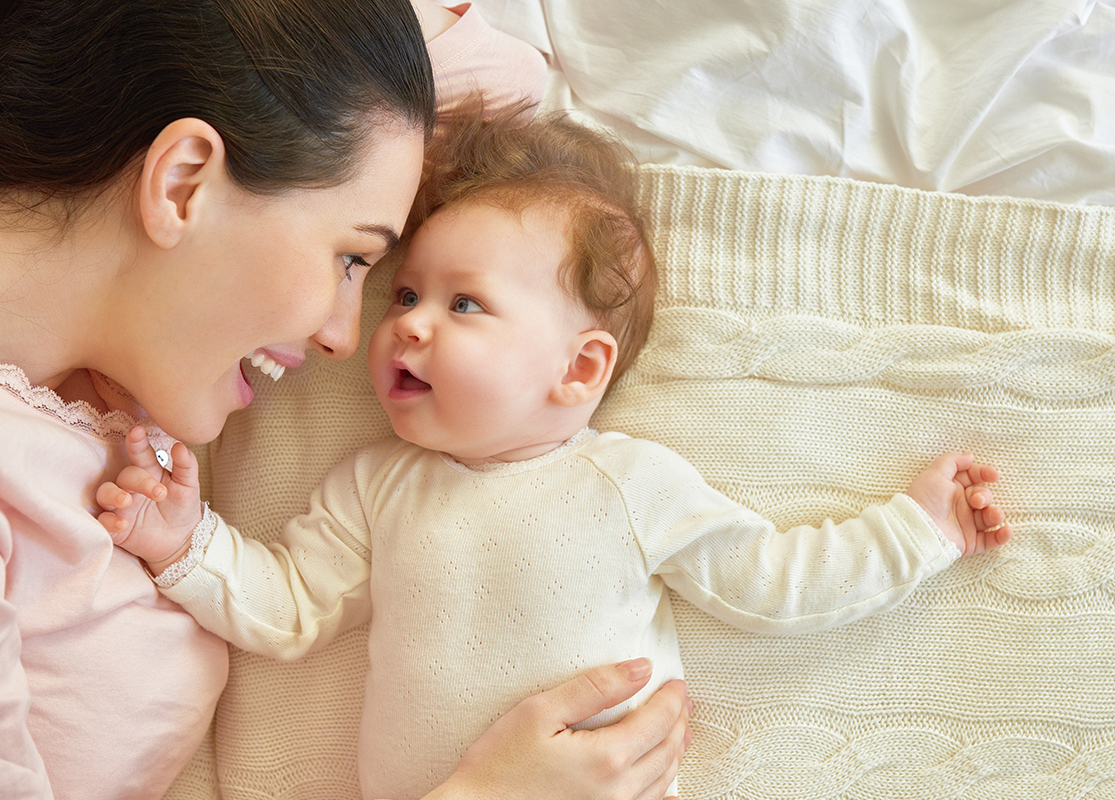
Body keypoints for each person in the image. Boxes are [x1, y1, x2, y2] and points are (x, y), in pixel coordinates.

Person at [96, 107, 1015, 799]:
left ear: (577, 369)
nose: (406, 323)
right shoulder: (375, 487)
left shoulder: (627, 485)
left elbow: (773, 580)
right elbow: (288, 606)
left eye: (464, 305)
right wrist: (184, 543)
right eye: (405, 293)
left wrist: (917, 529)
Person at [0, 3, 690, 800]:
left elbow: (504, 82)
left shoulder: (114, 355)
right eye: (353, 259)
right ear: (184, 182)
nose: (344, 336)